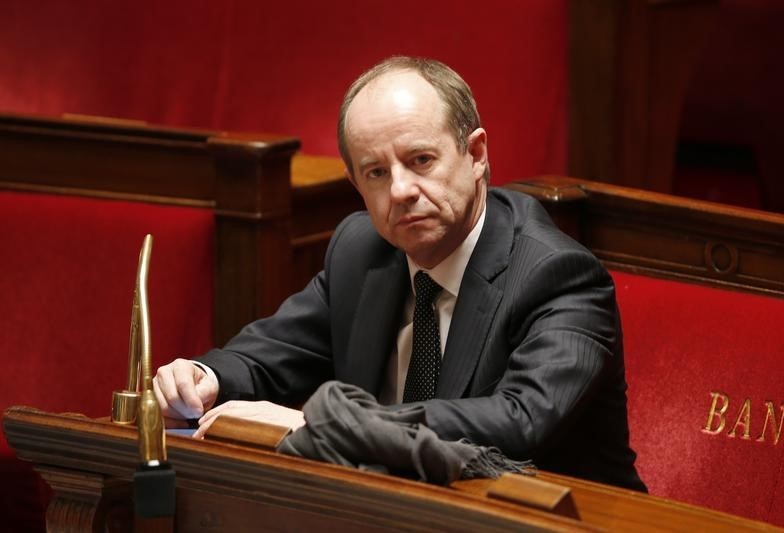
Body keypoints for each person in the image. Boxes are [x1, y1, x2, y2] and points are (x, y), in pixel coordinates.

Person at [154, 56, 646, 491]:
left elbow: (519, 422)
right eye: (376, 173)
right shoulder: (361, 250)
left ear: (475, 155)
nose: (402, 190)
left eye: (421, 160)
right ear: (356, 186)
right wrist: (205, 377)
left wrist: (320, 426)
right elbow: (273, 355)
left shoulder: (557, 275)